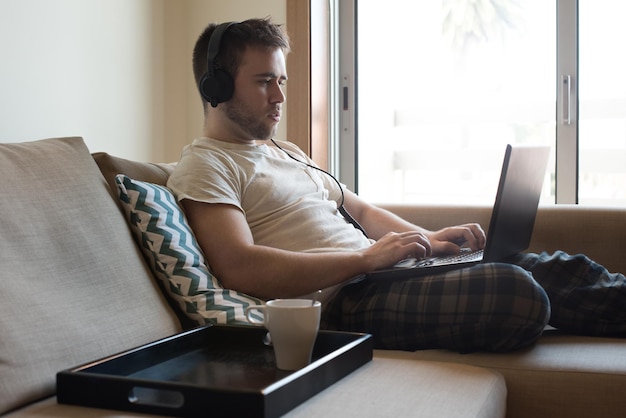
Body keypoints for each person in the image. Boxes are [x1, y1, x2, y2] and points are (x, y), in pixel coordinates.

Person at [167, 17, 626, 353]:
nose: (281, 97)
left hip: (381, 275)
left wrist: (429, 240)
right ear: (216, 87)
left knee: (560, 268)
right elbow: (239, 267)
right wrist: (365, 258)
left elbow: (362, 212)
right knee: (516, 290)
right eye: (265, 81)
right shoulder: (206, 166)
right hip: (346, 303)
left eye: (282, 80)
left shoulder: (287, 152)